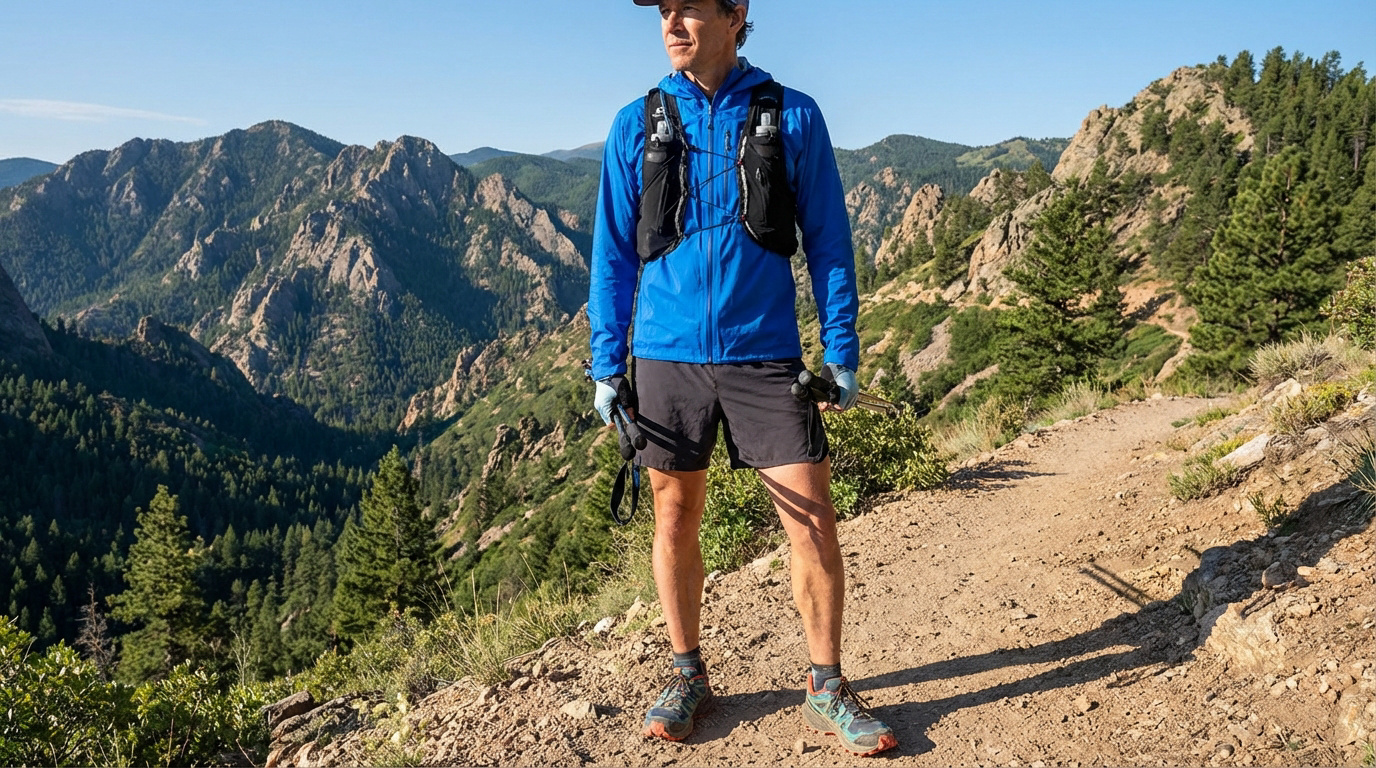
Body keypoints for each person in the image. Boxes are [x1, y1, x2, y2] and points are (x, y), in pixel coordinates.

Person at [587, 0, 898, 757]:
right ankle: (688, 673)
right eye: (664, 11)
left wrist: (843, 349)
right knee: (672, 518)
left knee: (813, 520)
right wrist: (606, 363)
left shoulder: (793, 116)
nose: (672, 24)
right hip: (666, 356)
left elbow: (828, 238)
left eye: (689, 8)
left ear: (736, 15)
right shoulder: (636, 124)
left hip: (765, 356)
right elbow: (613, 254)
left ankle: (826, 683)